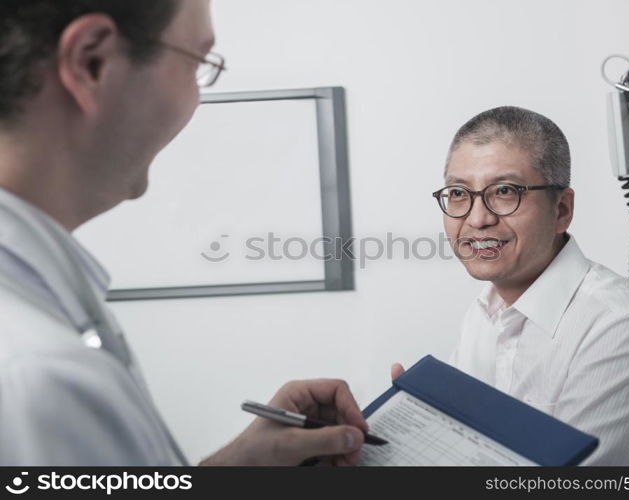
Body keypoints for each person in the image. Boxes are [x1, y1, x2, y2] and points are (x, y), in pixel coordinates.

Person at [0, 0, 368, 466]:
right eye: (197, 62)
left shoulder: (42, 309)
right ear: (93, 62)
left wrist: (239, 466)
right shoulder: (33, 380)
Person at [393, 106, 629, 465]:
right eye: (459, 193)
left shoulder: (625, 328)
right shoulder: (483, 313)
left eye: (505, 191)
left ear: (562, 210)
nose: (477, 219)